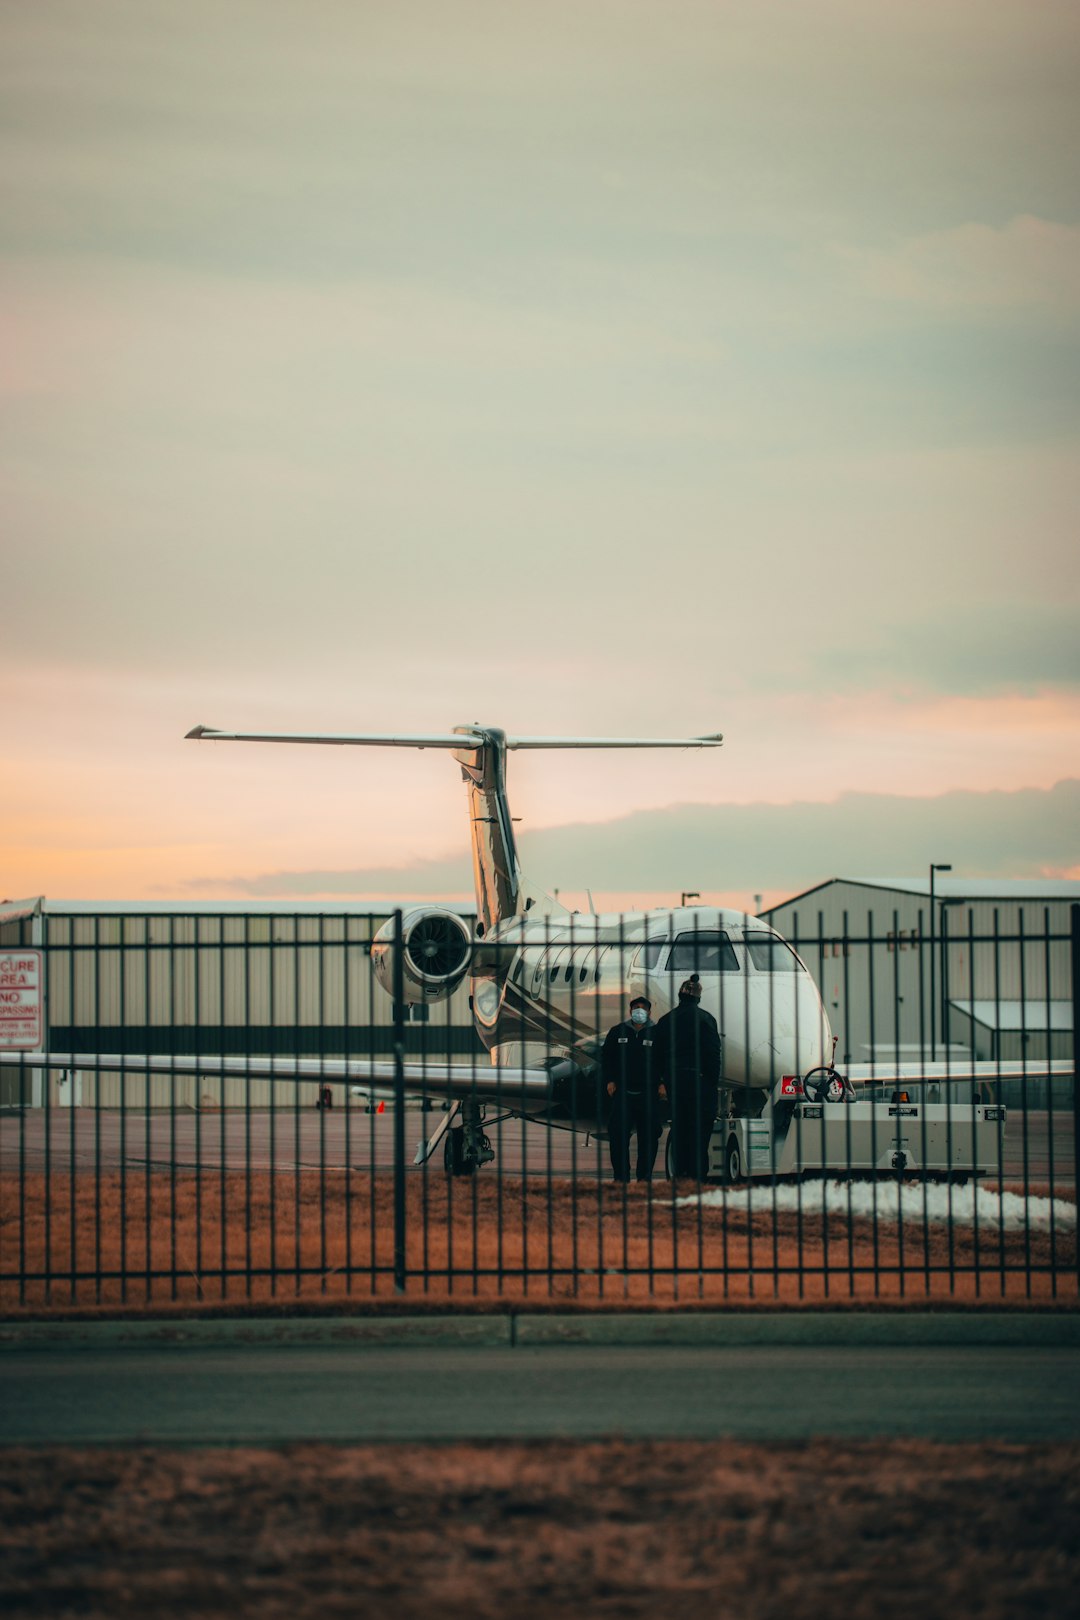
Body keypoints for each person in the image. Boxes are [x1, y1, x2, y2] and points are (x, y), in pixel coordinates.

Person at [654, 974, 722, 1180]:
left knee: (680, 1129)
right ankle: (697, 1177)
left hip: (674, 1083)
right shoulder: (706, 1019)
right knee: (700, 1134)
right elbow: (713, 1056)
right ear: (698, 998)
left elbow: (657, 1056)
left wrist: (662, 1082)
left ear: (680, 996)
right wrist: (711, 1082)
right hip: (700, 1083)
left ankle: (680, 1173)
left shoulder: (665, 1021)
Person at [600, 995, 665, 1183]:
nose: (639, 1011)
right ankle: (621, 1177)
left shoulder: (658, 1033)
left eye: (643, 1008)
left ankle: (644, 1178)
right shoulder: (618, 1032)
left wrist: (662, 1082)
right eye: (636, 1007)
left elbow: (665, 1060)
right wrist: (610, 1080)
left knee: (649, 1139)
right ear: (630, 1011)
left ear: (649, 1012)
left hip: (648, 1094)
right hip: (623, 1094)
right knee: (618, 1138)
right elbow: (607, 1058)